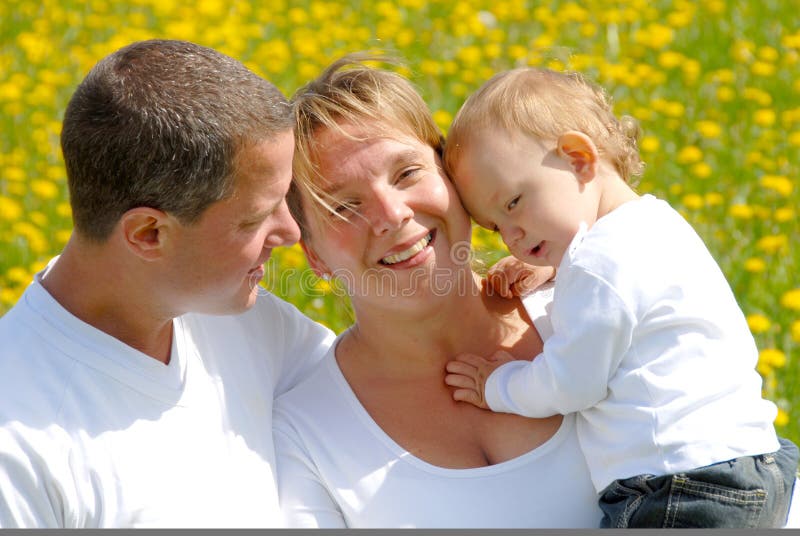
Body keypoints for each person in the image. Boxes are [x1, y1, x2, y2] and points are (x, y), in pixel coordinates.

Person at [441, 67, 799, 528]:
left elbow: (572, 383)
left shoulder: (598, 266)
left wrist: (497, 385)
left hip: (679, 483)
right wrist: (554, 265)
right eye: (495, 227)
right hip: (755, 463)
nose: (511, 235)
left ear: (577, 158)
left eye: (513, 203)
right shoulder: (656, 224)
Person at [0, 39, 334, 527]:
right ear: (148, 233)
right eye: (257, 218)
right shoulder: (19, 453)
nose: (291, 232)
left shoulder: (246, 323)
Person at [272, 54, 602, 528]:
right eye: (345, 207)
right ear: (315, 257)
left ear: (452, 176)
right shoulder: (306, 434)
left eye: (407, 173)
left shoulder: (587, 303)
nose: (392, 214)